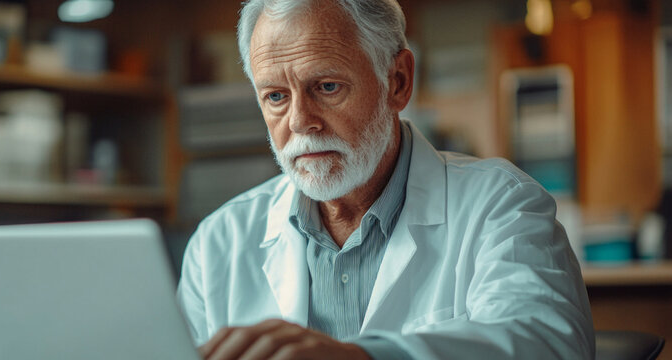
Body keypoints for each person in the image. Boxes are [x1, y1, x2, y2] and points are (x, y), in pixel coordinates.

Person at [177, 0, 595, 358]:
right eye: (276, 97)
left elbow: (548, 342)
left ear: (397, 82)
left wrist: (363, 358)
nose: (301, 122)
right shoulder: (218, 243)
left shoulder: (500, 203)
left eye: (326, 86)